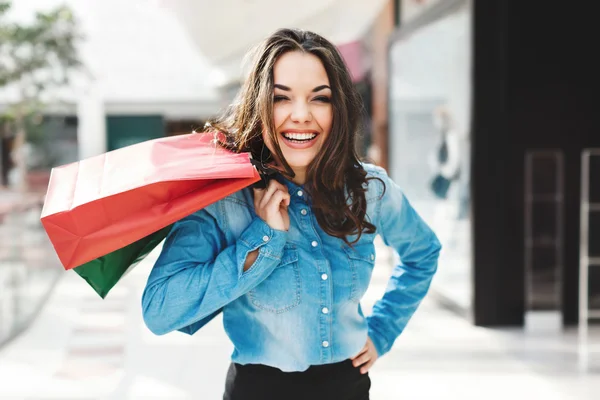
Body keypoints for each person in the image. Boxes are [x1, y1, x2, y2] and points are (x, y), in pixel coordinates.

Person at [141, 28, 441, 400]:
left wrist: (382, 331)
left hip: (347, 388)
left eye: (320, 98)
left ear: (339, 109)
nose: (301, 115)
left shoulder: (369, 189)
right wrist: (263, 239)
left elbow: (423, 253)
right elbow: (159, 310)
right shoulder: (224, 200)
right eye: (282, 98)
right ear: (259, 105)